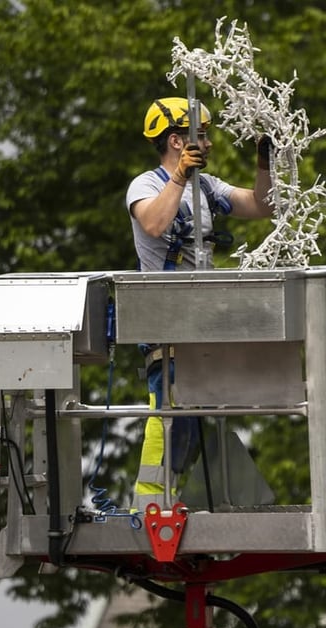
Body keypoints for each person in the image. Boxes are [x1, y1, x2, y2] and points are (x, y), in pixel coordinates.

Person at [126, 96, 273, 510]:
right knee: (168, 415)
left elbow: (262, 206)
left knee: (191, 423)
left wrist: (265, 166)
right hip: (166, 324)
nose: (208, 144)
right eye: (200, 136)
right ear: (176, 141)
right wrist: (179, 179)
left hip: (202, 323)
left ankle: (175, 498)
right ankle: (149, 507)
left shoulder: (206, 187)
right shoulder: (148, 185)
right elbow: (154, 224)